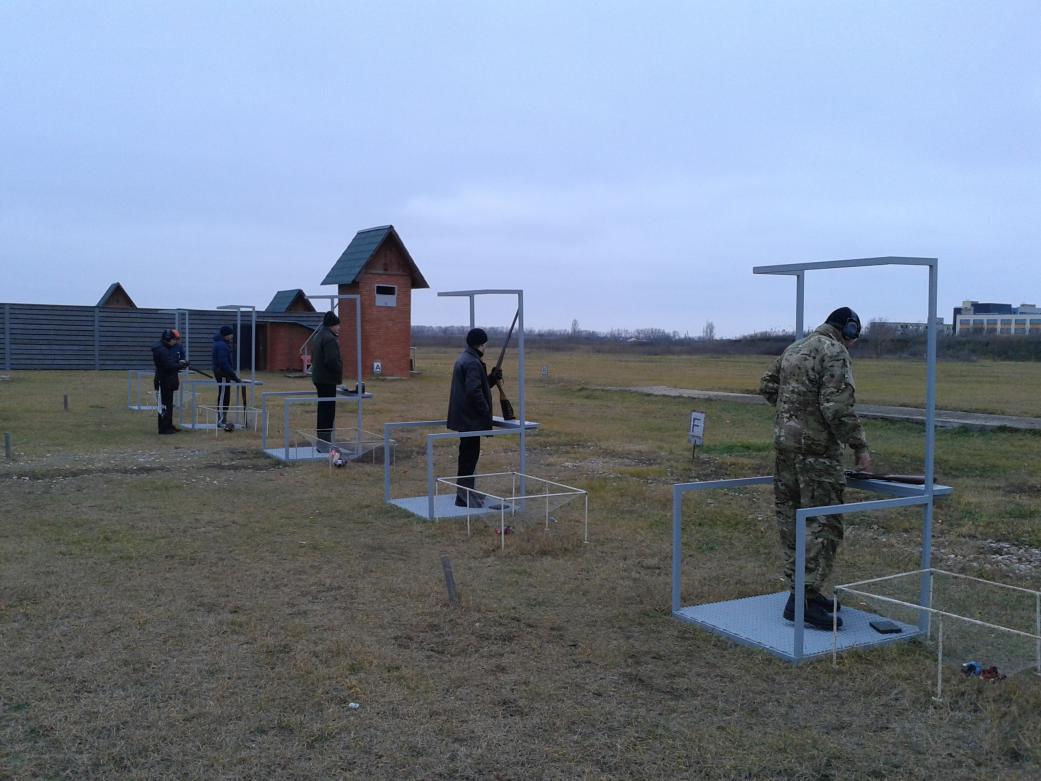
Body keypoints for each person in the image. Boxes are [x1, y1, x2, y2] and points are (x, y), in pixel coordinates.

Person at [759, 307, 872, 630]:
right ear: (848, 330)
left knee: (792, 522)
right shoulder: (833, 351)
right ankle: (802, 600)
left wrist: (794, 414)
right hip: (817, 455)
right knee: (824, 525)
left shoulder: (796, 348)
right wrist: (859, 446)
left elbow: (768, 385)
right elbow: (837, 408)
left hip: (786, 451)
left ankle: (805, 592)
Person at [447, 328, 503, 507]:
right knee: (468, 459)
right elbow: (474, 391)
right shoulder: (472, 362)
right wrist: (485, 410)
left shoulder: (466, 358)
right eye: (485, 343)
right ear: (481, 344)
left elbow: (477, 385)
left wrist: (492, 378)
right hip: (470, 420)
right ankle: (463, 497)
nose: (486, 346)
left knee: (467, 458)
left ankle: (466, 494)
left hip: (466, 419)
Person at [311, 310, 343, 450]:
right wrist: (339, 368)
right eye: (337, 325)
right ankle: (325, 443)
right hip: (327, 379)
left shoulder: (318, 335)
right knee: (328, 413)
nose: (339, 328)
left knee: (322, 410)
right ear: (332, 325)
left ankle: (322, 442)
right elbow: (331, 361)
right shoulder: (330, 339)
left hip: (319, 378)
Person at [152, 328, 187, 435]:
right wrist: (181, 365)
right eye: (174, 339)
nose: (175, 342)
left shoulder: (164, 348)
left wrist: (180, 364)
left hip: (167, 380)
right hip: (164, 380)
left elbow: (170, 363)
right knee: (165, 405)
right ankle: (164, 428)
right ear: (168, 339)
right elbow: (169, 366)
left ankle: (168, 425)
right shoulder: (162, 350)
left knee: (168, 404)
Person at [211, 325, 241, 429]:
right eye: (231, 334)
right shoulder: (222, 346)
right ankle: (221, 420)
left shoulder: (222, 344)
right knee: (223, 396)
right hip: (222, 373)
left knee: (225, 395)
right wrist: (234, 377)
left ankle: (223, 419)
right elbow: (224, 363)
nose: (232, 336)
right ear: (226, 335)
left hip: (223, 373)